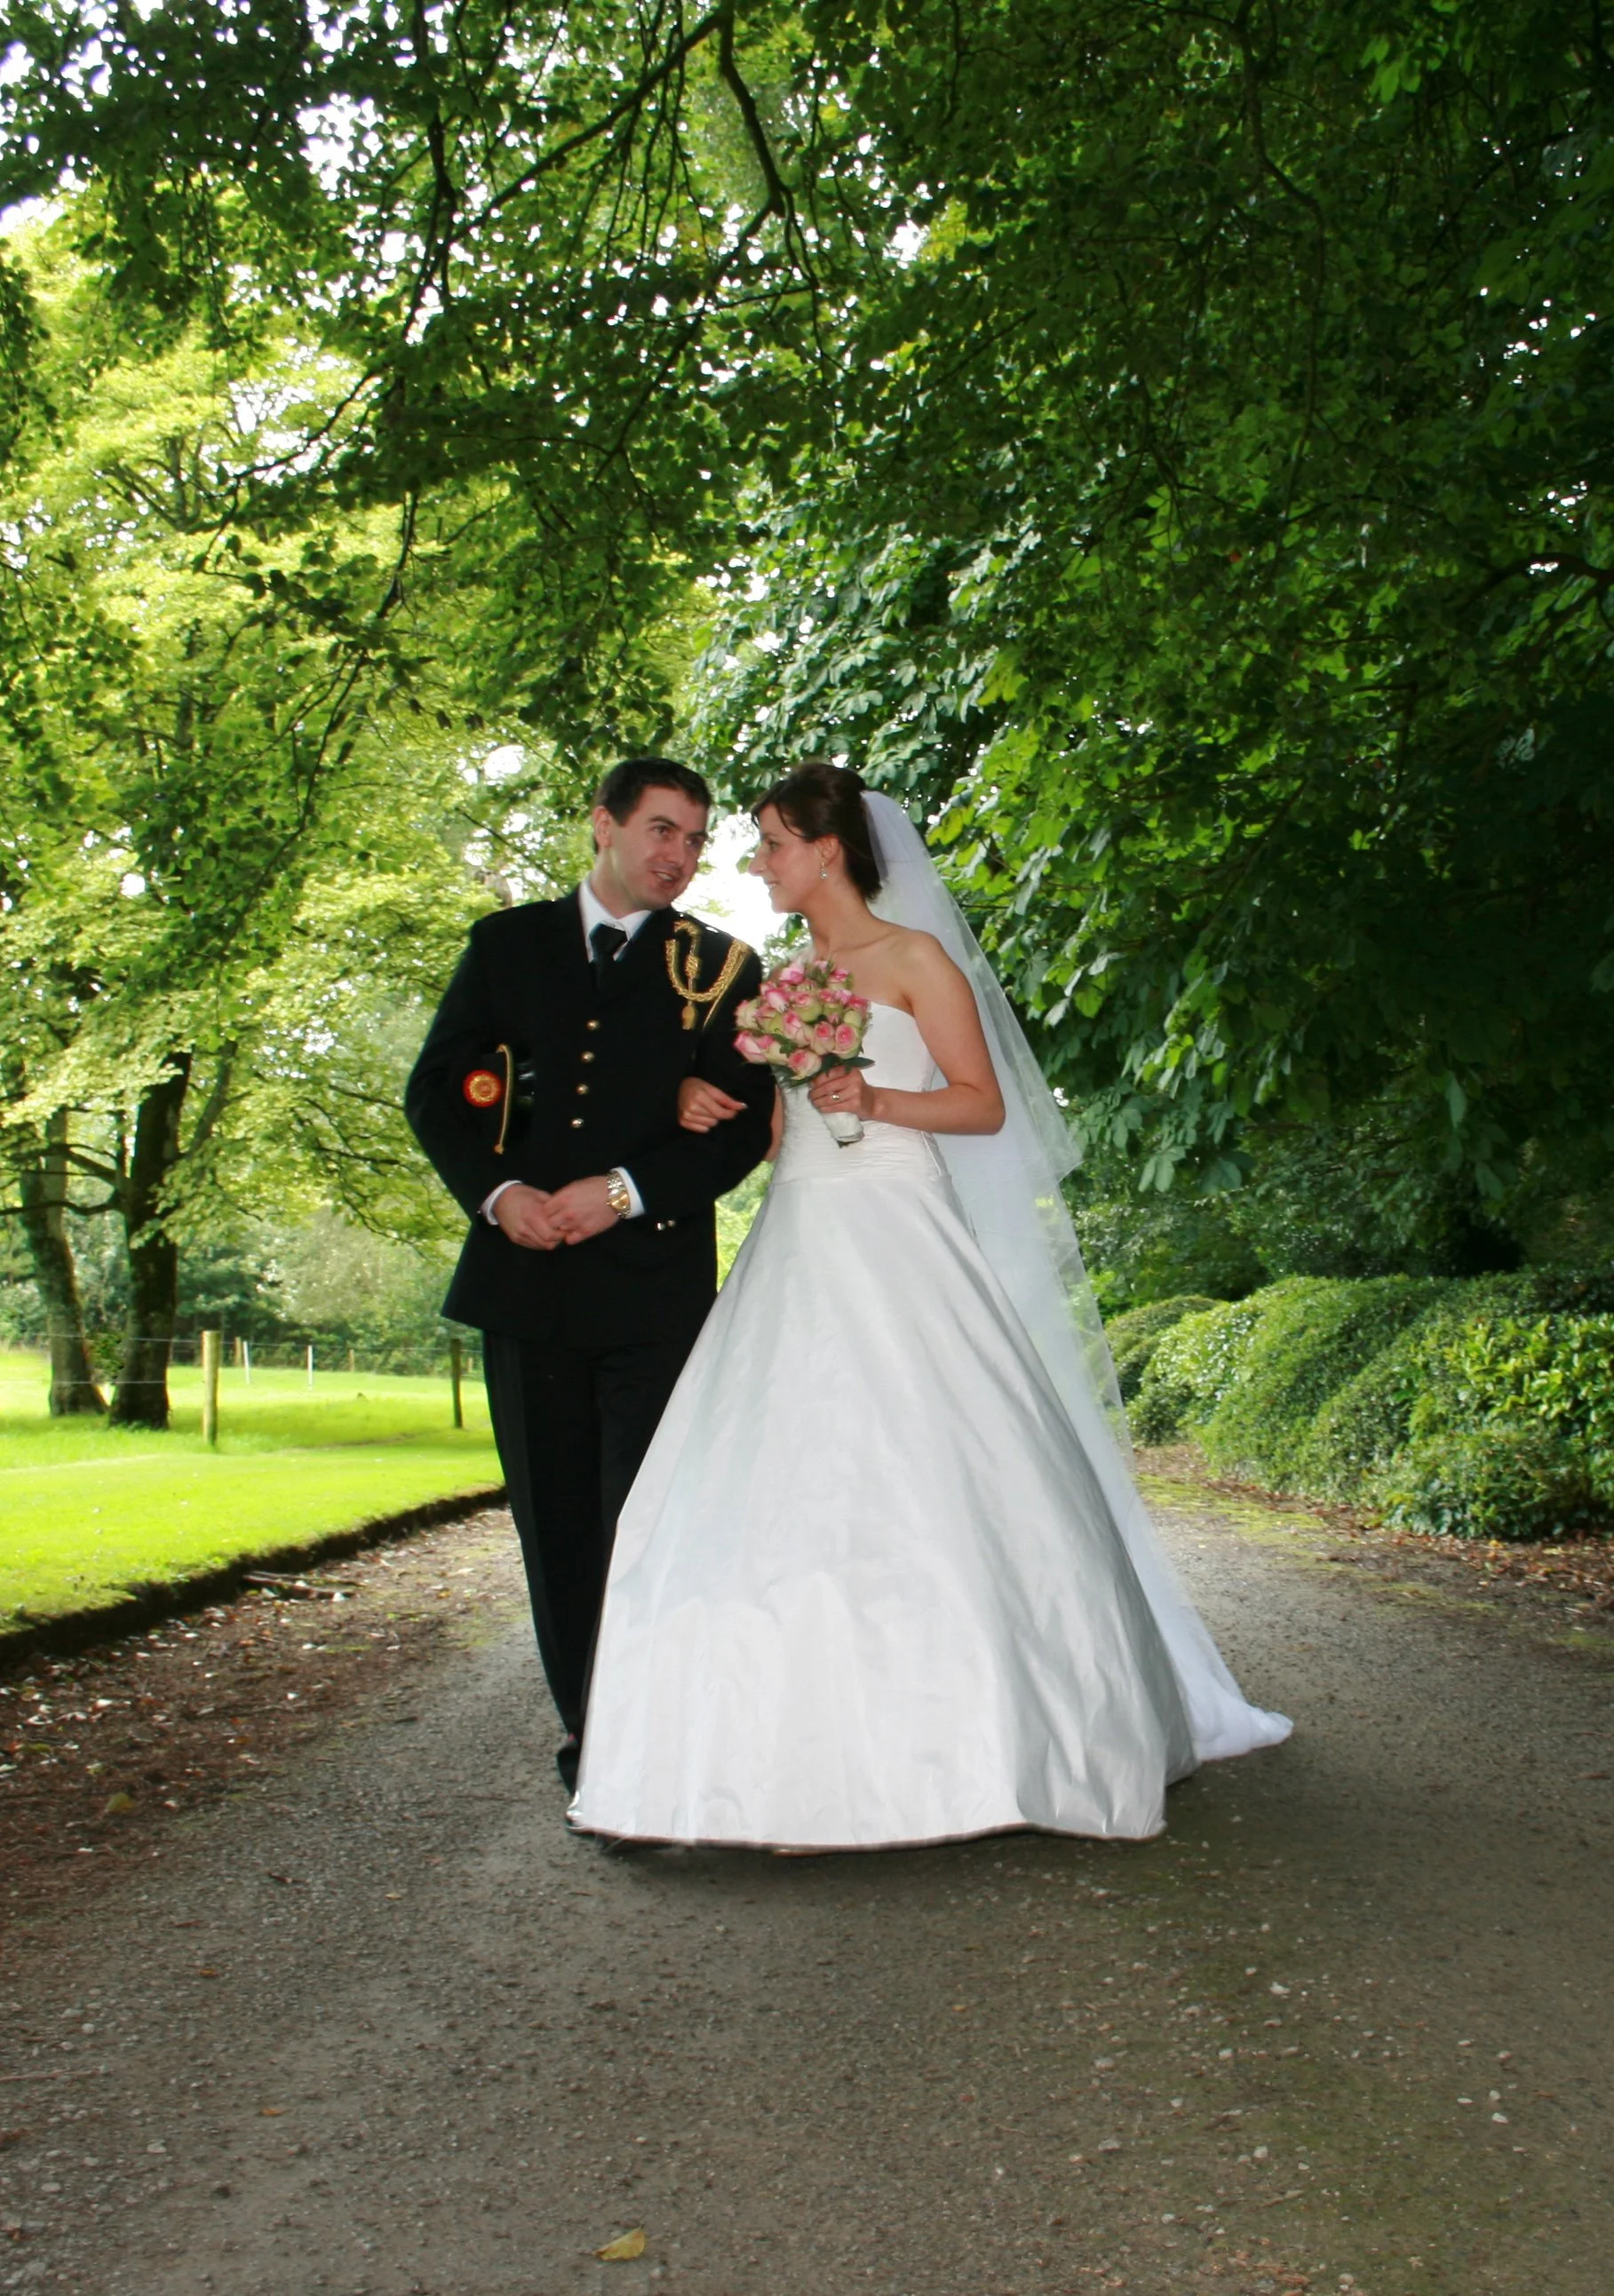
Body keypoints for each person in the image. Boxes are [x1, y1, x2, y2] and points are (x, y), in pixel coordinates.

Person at [569, 763, 1289, 1849]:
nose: (754, 863)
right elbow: (771, 1128)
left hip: (899, 1222)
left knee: (942, 1457)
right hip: (798, 1235)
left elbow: (986, 1102)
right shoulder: (776, 982)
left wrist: (878, 1097)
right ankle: (764, 1760)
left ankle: (998, 1744)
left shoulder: (914, 959)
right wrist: (696, 1094)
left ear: (826, 850)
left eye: (768, 843)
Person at [404, 758, 775, 1792]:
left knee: (647, 1514)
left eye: (695, 839)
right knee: (555, 1524)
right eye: (661, 830)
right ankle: (594, 1736)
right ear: (602, 826)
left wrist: (619, 1187)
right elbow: (436, 1091)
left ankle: (659, 1726)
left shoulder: (718, 966)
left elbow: (739, 1131)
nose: (679, 856)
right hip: (523, 1287)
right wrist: (498, 1192)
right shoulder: (506, 944)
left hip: (652, 1292)